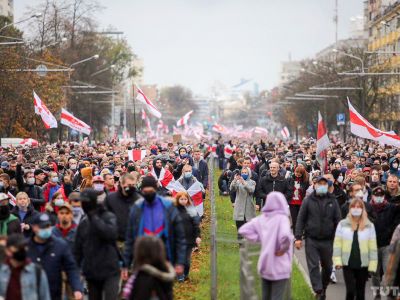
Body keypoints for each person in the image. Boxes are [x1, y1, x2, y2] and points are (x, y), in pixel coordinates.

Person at [123, 176, 186, 280]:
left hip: (165, 257)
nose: (148, 193)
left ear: (155, 190)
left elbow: (180, 236)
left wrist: (180, 261)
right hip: (142, 259)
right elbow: (129, 238)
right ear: (142, 191)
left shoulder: (168, 207)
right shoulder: (137, 208)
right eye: (145, 191)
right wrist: (125, 264)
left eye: (151, 191)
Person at [239, 192, 293, 300]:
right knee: (277, 296)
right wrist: (283, 248)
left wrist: (260, 238)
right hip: (280, 264)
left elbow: (243, 229)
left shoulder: (262, 219)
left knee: (265, 296)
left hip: (265, 265)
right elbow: (286, 236)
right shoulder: (282, 219)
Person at [295, 176, 341, 299]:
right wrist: (298, 237)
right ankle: (318, 290)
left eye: (324, 184)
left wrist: (339, 238)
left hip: (328, 240)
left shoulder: (333, 201)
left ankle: (323, 286)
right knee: (313, 265)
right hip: (311, 239)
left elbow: (338, 220)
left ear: (327, 186)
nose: (321, 186)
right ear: (315, 185)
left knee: (328, 266)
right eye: (319, 184)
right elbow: (301, 219)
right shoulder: (308, 200)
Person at [74, 189, 121, 300]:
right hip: (92, 272)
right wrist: (75, 273)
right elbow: (77, 250)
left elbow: (111, 234)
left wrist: (93, 217)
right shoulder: (83, 223)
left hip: (110, 270)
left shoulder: (108, 216)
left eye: (86, 202)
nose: (83, 205)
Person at [28, 213, 83, 300]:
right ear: (34, 227)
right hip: (31, 292)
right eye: (42, 227)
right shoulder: (25, 247)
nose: (46, 229)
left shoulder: (60, 245)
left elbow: (71, 268)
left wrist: (77, 288)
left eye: (48, 226)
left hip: (53, 292)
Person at [333, 199, 378, 300]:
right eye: (353, 207)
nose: (356, 209)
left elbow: (373, 247)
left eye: (358, 207)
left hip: (363, 264)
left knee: (360, 292)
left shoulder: (369, 225)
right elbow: (337, 244)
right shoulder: (342, 224)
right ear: (350, 209)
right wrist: (337, 261)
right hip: (347, 263)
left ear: (363, 209)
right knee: (350, 291)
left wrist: (372, 265)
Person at [0, 233, 51, 300]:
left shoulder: (37, 271)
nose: (22, 250)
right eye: (18, 247)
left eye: (24, 247)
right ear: (8, 251)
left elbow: (45, 297)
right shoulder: (2, 271)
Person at [174, 191, 201, 281]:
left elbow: (195, 225)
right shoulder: (174, 210)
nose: (183, 201)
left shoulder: (191, 211)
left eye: (185, 199)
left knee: (186, 259)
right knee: (178, 257)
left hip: (189, 238)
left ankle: (185, 273)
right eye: (181, 199)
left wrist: (197, 236)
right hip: (177, 238)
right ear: (178, 200)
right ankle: (179, 275)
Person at [105, 173, 139, 243]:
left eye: (133, 185)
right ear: (122, 184)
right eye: (129, 185)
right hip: (115, 240)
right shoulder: (111, 198)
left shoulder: (139, 200)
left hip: (133, 240)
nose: (131, 187)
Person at [230, 166, 256, 232]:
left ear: (249, 173)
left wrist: (244, 183)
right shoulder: (238, 182)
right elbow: (232, 188)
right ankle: (240, 241)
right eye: (242, 172)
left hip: (248, 207)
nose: (244, 174)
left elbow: (251, 190)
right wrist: (235, 180)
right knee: (239, 227)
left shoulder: (252, 182)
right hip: (239, 206)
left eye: (245, 173)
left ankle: (247, 240)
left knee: (248, 227)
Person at [288, 164, 309, 233]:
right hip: (292, 202)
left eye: (300, 173)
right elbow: (287, 189)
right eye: (297, 172)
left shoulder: (305, 181)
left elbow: (306, 190)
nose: (298, 174)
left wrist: (301, 189)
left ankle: (301, 232)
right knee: (294, 219)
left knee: (301, 218)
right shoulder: (290, 179)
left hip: (301, 202)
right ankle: (295, 234)